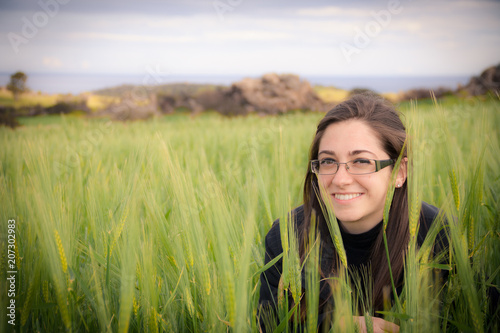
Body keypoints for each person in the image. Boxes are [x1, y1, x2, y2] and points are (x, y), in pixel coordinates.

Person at [258, 94, 447, 332]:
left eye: (361, 161)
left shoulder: (441, 236)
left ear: (399, 172)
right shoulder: (286, 236)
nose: (340, 179)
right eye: (328, 161)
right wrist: (333, 326)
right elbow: (270, 325)